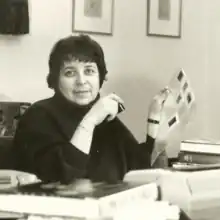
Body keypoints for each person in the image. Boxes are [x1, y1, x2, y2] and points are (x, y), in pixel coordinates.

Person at [12, 35, 167, 184]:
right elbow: (61, 176)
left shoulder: (103, 115)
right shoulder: (38, 115)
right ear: (55, 79)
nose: (81, 81)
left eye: (89, 71)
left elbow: (139, 168)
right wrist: (90, 121)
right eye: (70, 73)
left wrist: (155, 119)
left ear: (100, 77)